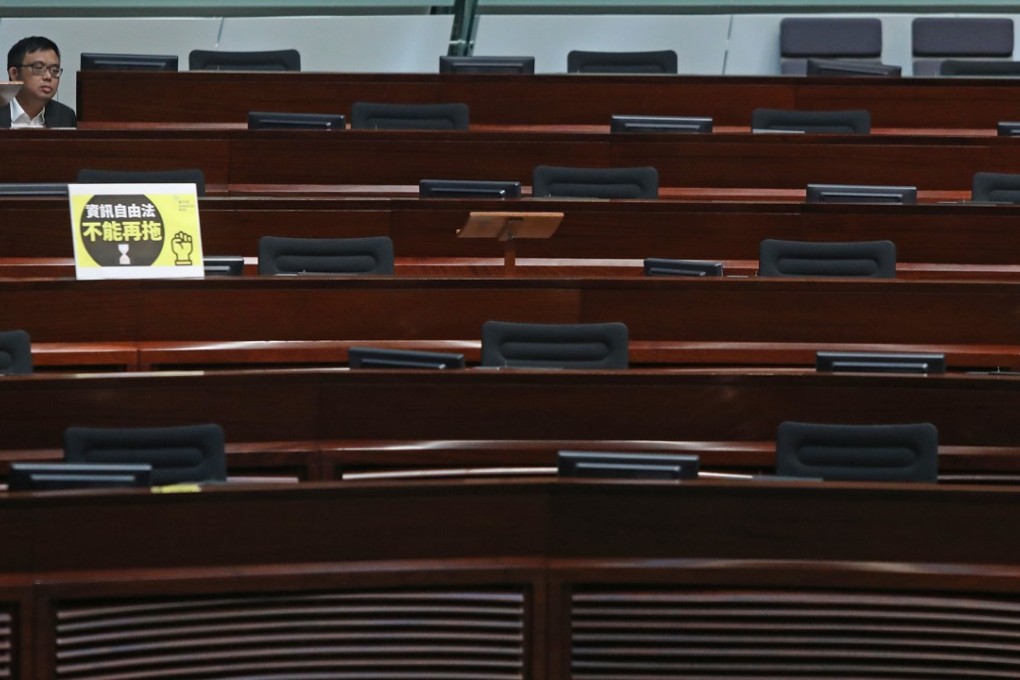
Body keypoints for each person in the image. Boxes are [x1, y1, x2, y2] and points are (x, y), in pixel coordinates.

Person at [3, 36, 76, 128]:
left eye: (54, 70)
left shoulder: (65, 116)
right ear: (14, 73)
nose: (48, 77)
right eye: (38, 68)